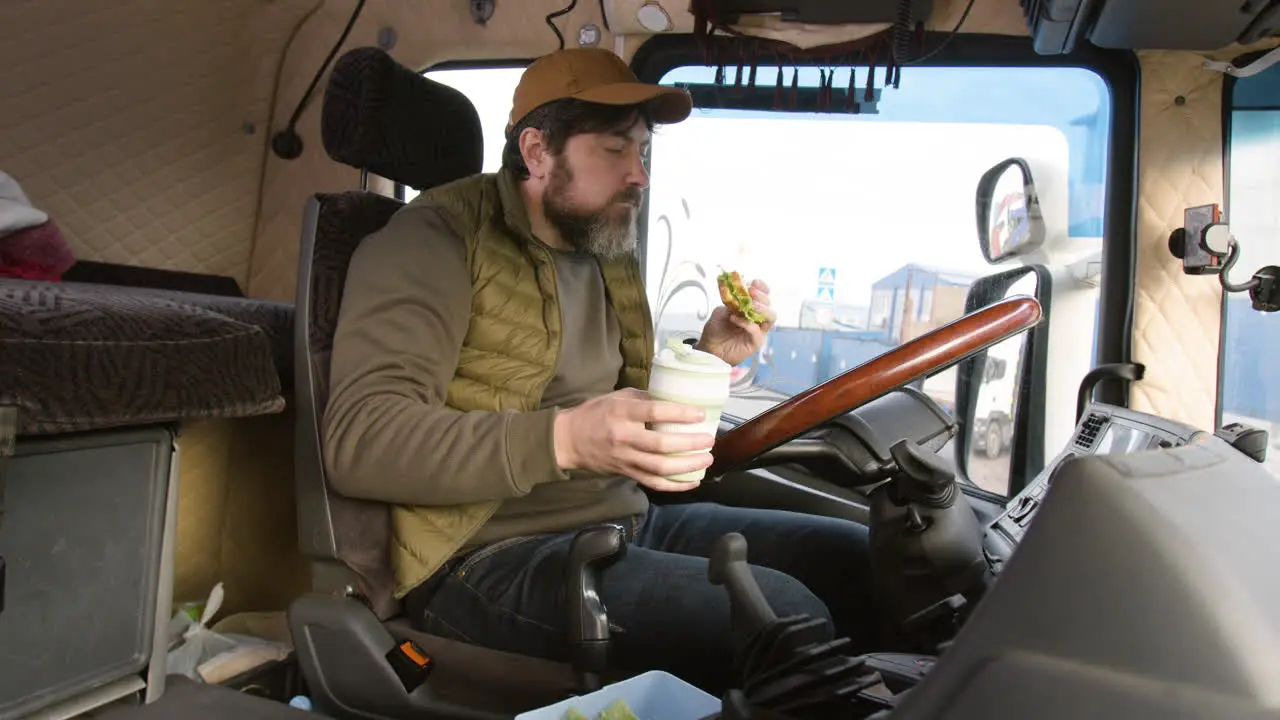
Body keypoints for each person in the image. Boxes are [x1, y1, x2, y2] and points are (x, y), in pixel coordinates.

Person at [323, 47, 877, 694]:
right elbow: (362, 439)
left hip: (622, 517)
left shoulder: (601, 248)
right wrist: (565, 438)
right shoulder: (433, 239)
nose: (638, 175)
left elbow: (616, 413)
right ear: (536, 152)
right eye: (615, 151)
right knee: (781, 617)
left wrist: (706, 358)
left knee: (858, 560)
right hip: (482, 554)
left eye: (643, 152)